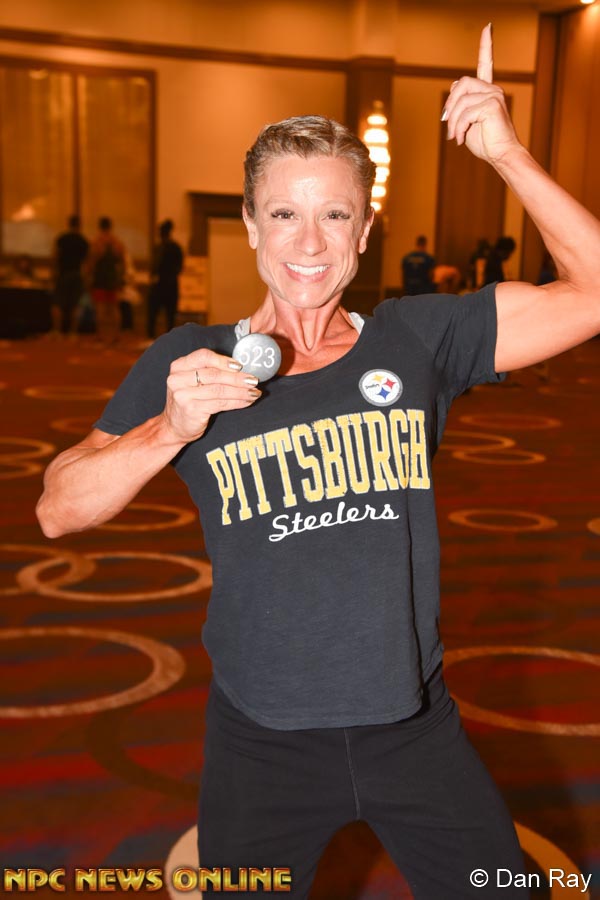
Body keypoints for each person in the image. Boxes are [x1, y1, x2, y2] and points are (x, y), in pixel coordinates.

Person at [36, 26, 600, 899]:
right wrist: (168, 430)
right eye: (284, 214)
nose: (309, 241)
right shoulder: (190, 360)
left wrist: (506, 155)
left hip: (413, 729)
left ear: (365, 230)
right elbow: (58, 510)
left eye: (335, 214)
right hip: (261, 745)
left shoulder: (418, 339)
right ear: (250, 224)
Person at [85, 216, 126, 343]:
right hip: (112, 278)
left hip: (100, 279)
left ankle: (100, 335)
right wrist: (120, 278)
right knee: (114, 308)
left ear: (100, 227)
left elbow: (91, 262)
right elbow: (123, 263)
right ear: (110, 226)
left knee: (101, 308)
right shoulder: (117, 243)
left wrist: (88, 276)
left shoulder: (97, 242)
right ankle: (116, 335)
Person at [52, 214, 89, 335]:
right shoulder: (83, 241)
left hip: (63, 273)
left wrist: (54, 272)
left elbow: (55, 256)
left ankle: (57, 330)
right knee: (76, 305)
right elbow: (86, 261)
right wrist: (85, 277)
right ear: (80, 225)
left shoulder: (62, 239)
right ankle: (73, 332)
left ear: (69, 224)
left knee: (58, 303)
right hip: (77, 274)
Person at [147, 218, 184, 338]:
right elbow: (179, 267)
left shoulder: (159, 248)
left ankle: (151, 336)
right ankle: (170, 338)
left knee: (153, 313)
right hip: (171, 284)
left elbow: (154, 267)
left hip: (159, 284)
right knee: (170, 315)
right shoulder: (175, 248)